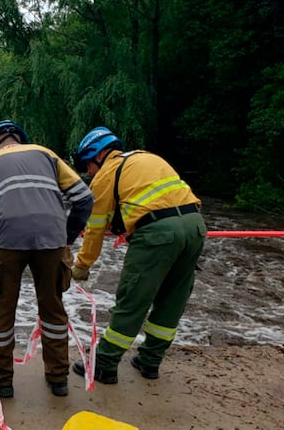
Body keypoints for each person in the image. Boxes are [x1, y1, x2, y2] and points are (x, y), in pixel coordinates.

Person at [69, 126, 207, 384]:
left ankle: (105, 363)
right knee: (172, 299)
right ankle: (150, 361)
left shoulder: (106, 175)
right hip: (195, 226)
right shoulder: (148, 158)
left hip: (156, 235)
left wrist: (82, 264)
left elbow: (95, 228)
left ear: (97, 156)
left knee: (133, 298)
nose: (88, 173)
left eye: (87, 166)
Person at [0, 120, 93, 397]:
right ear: (20, 140)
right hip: (52, 240)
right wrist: (67, 238)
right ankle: (58, 378)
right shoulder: (48, 154)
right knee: (53, 308)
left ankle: (0, 380)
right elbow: (84, 199)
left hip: (5, 241)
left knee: (0, 310)